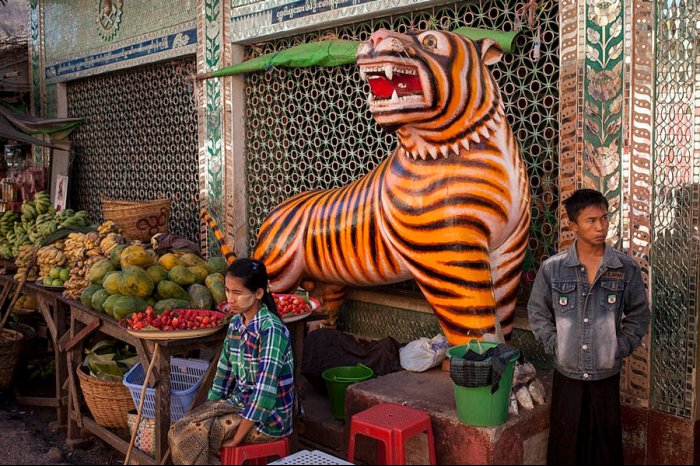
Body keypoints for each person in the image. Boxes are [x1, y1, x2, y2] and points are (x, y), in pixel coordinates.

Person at [527, 188, 650, 465]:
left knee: (604, 447)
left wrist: (621, 345)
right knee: (565, 446)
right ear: (573, 226)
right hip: (567, 372)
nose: (600, 227)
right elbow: (537, 311)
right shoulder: (553, 268)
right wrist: (553, 343)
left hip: (605, 374)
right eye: (591, 221)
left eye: (604, 219)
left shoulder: (624, 268)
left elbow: (639, 314)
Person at [169, 258, 295, 465]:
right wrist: (209, 410)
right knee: (180, 427)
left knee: (194, 437)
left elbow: (264, 393)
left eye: (237, 293)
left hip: (270, 418)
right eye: (227, 291)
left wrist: (237, 438)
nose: (230, 299)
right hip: (239, 403)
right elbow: (223, 375)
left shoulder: (271, 329)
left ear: (258, 294)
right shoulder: (236, 323)